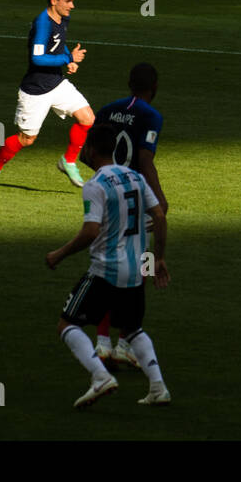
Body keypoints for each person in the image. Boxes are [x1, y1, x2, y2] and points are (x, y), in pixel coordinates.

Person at [45, 122, 171, 409]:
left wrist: (60, 254)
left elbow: (90, 231)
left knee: (67, 324)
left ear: (89, 150)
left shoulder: (96, 185)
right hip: (136, 270)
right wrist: (160, 258)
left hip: (106, 271)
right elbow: (160, 217)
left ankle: (100, 377)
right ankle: (158, 387)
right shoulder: (137, 177)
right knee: (133, 328)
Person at [88, 63, 169, 369]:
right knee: (137, 268)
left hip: (107, 195)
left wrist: (105, 178)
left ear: (129, 83)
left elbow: (87, 152)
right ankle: (124, 342)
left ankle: (103, 342)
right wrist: (158, 199)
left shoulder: (108, 110)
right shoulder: (151, 116)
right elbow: (145, 160)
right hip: (134, 199)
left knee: (106, 265)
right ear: (155, 87)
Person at [0, 0, 95, 193]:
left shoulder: (63, 18)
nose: (72, 6)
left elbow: (58, 44)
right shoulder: (42, 24)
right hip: (35, 90)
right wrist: (68, 57)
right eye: (68, 1)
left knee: (87, 118)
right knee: (27, 139)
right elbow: (37, 58)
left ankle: (68, 161)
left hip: (57, 83)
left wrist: (67, 59)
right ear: (54, 1)